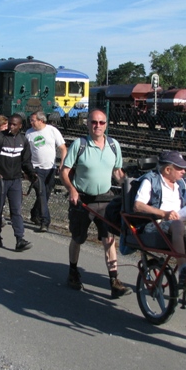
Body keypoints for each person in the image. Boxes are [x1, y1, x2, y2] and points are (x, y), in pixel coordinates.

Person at [60, 109, 130, 299]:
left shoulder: (114, 145)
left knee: (109, 240)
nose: (97, 126)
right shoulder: (79, 145)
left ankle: (114, 281)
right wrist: (72, 190)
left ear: (106, 124)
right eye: (93, 122)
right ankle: (73, 272)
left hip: (105, 199)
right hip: (83, 200)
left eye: (101, 122)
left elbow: (117, 172)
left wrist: (128, 188)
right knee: (78, 238)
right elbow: (64, 171)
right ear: (88, 123)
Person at [132, 151, 186, 308]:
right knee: (178, 224)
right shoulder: (151, 180)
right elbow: (138, 205)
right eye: (180, 168)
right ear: (168, 170)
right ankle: (183, 270)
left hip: (177, 224)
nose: (184, 172)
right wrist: (164, 213)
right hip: (155, 225)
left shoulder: (180, 184)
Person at [0, 114, 35, 252]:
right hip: (0, 180)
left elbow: (26, 162)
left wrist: (31, 173)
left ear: (20, 126)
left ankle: (20, 239)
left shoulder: (23, 140)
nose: (11, 127)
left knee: (16, 211)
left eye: (14, 125)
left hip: (15, 181)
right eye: (9, 124)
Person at [26, 111, 67, 232]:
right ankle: (45, 221)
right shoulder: (29, 134)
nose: (31, 122)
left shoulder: (52, 130)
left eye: (33, 120)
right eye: (30, 120)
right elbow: (25, 153)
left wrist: (62, 164)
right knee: (41, 193)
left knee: (46, 194)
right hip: (35, 169)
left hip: (50, 169)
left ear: (41, 120)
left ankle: (34, 213)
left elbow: (63, 148)